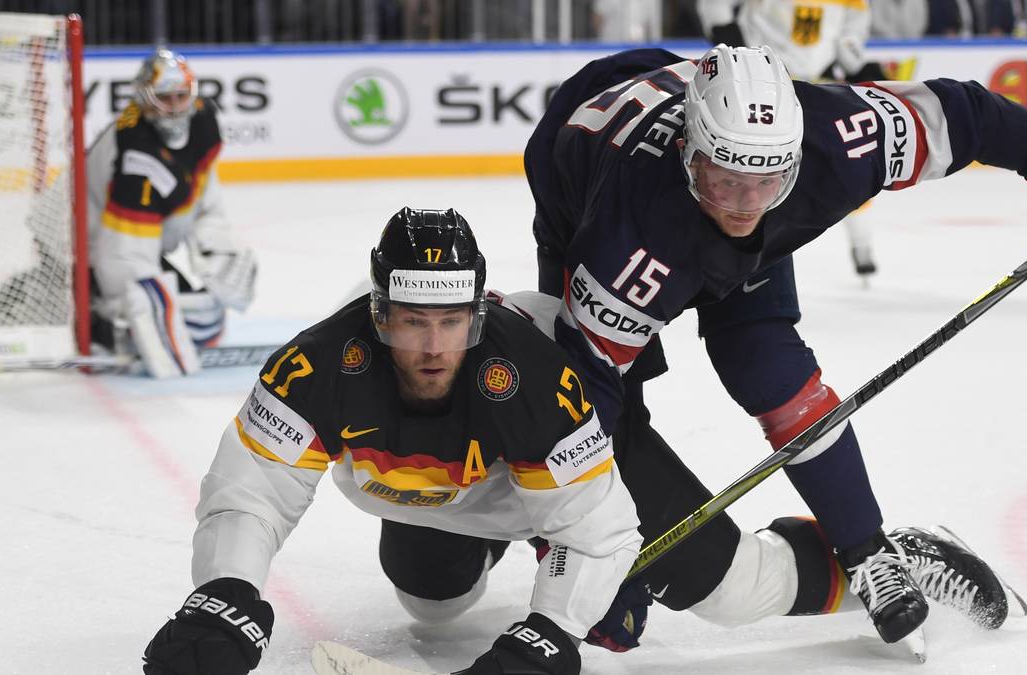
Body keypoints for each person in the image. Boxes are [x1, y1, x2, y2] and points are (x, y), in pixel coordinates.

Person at [524, 44, 1027, 655]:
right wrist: (603, 553)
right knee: (615, 410)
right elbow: (589, 406)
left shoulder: (838, 136)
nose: (745, 206)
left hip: (679, 159)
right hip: (578, 177)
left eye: (767, 181)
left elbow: (965, 115)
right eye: (724, 180)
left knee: (765, 364)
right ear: (690, 154)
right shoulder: (623, 242)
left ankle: (871, 551)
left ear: (796, 158)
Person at [141, 208, 643, 675]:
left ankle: (544, 527)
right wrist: (227, 588)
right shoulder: (317, 364)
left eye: (451, 322)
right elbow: (254, 491)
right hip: (427, 496)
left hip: (543, 472)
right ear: (380, 313)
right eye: (413, 322)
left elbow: (598, 534)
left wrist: (553, 632)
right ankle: (494, 542)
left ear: (477, 314)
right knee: (432, 604)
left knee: (710, 591)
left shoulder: (536, 375)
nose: (432, 348)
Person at [86, 46, 257, 378]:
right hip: (87, 252)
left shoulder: (203, 121)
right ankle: (100, 319)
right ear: (144, 98)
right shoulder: (134, 151)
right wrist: (136, 301)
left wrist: (216, 247)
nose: (177, 107)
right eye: (165, 97)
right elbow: (122, 251)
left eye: (182, 96)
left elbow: (201, 197)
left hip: (127, 241)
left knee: (207, 319)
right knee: (163, 314)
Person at [696, 0, 884, 277]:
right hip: (760, 89)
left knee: (845, 167)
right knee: (753, 174)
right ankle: (734, 255)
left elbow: (850, 33)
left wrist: (855, 63)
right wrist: (725, 30)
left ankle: (862, 244)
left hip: (815, 87)